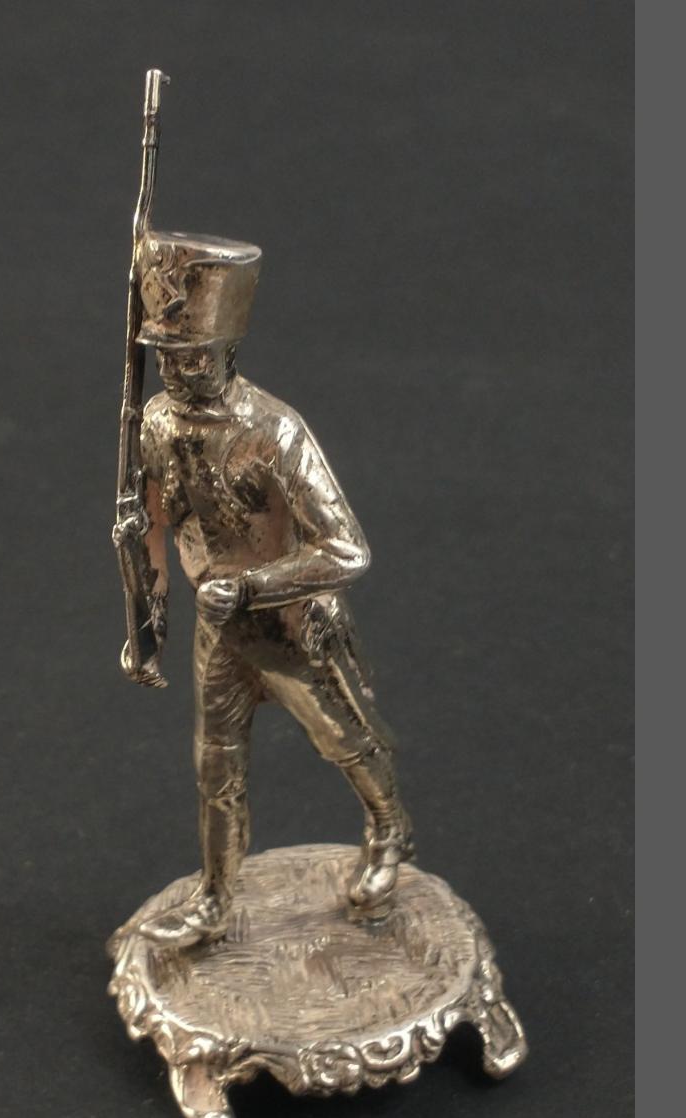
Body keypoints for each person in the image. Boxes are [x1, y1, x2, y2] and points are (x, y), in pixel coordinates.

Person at [119, 231, 413, 948]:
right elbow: (154, 522)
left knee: (346, 742)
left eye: (194, 356)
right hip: (218, 631)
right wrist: (147, 622)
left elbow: (347, 549)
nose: (179, 371)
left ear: (230, 351)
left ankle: (388, 827)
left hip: (293, 626)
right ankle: (216, 898)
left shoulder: (275, 432)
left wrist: (252, 587)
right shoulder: (154, 422)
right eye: (167, 357)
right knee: (215, 769)